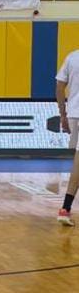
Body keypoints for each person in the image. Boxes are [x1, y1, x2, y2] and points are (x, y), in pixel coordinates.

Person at [56, 49, 79, 226]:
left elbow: (59, 87)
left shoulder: (72, 57)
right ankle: (65, 208)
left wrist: (62, 114)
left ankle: (65, 208)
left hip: (73, 114)